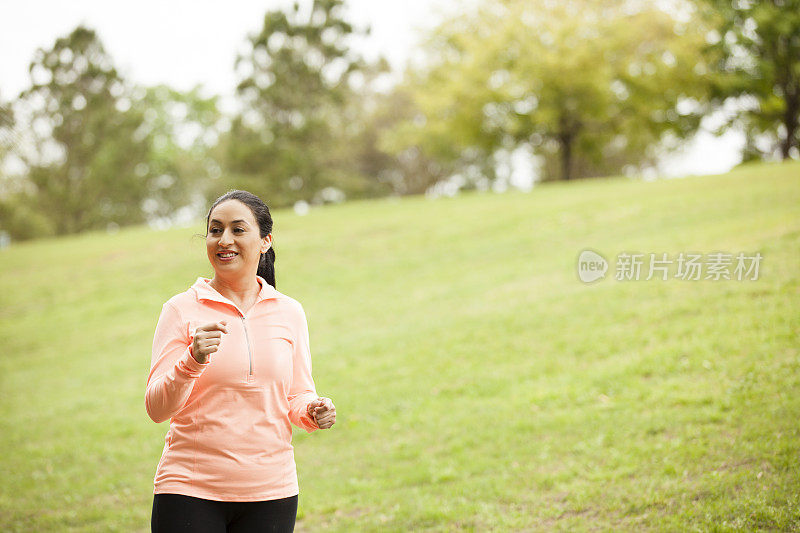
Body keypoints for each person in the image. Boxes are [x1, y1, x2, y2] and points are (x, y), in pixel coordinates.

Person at [145, 189, 336, 532]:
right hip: (189, 490)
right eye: (215, 230)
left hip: (271, 492)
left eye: (237, 229)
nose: (224, 240)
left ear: (265, 241)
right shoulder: (180, 310)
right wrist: (193, 359)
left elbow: (295, 394)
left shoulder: (289, 312)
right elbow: (157, 409)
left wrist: (312, 409)